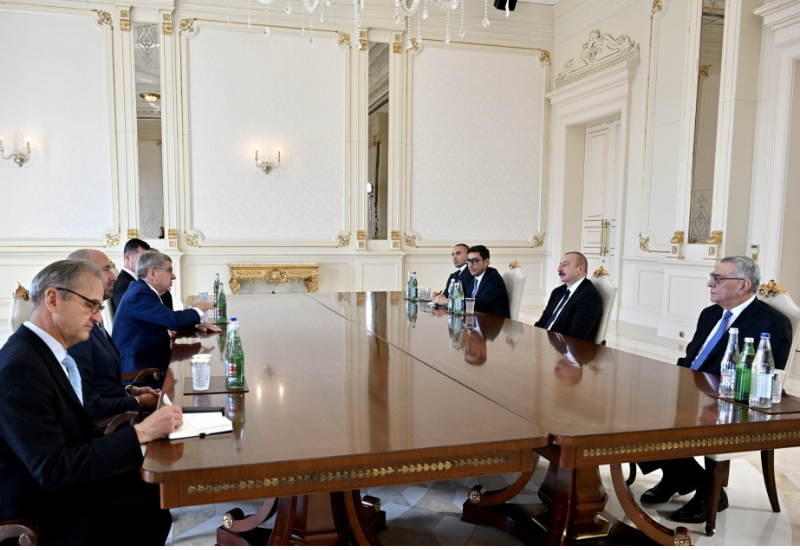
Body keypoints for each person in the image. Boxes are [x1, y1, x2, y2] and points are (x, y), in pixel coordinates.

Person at [0, 259, 183, 545]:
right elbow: (53, 469)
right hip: (45, 510)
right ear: (53, 299)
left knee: (158, 486)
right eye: (91, 306)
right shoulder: (19, 368)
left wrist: (145, 438)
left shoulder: (44, 352)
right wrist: (141, 432)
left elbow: (77, 431)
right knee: (154, 513)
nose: (98, 318)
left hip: (69, 485)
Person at [638, 255, 792, 524]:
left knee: (648, 421)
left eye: (718, 279)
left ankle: (709, 490)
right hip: (690, 389)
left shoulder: (772, 323)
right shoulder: (709, 314)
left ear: (743, 285)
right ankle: (678, 476)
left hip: (727, 401)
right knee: (633, 408)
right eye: (712, 276)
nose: (710, 283)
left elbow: (766, 377)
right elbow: (692, 358)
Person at [65, 249, 160, 421]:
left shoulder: (93, 319)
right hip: (116, 423)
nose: (114, 276)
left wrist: (132, 390)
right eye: (106, 269)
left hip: (124, 408)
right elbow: (89, 406)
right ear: (82, 276)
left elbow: (103, 379)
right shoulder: (77, 329)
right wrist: (138, 402)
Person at [113, 250, 219, 376]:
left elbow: (165, 318)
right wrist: (198, 308)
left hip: (151, 358)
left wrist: (195, 325)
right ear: (152, 273)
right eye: (169, 270)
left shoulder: (143, 290)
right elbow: (174, 319)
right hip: (141, 370)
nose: (173, 276)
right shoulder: (140, 294)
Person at [534, 252, 603, 342]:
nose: (559, 269)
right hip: (544, 342)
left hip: (563, 348)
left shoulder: (589, 296)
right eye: (560, 264)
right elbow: (541, 323)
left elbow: (575, 338)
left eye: (565, 265)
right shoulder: (558, 292)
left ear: (580, 269)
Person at [113, 238, 173, 312]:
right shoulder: (123, 285)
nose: (147, 262)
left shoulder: (143, 281)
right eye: (142, 258)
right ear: (128, 257)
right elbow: (137, 313)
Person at [465, 245, 510, 318]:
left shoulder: (494, 278)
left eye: (475, 261)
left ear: (486, 261)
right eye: (469, 261)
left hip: (494, 321)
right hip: (476, 318)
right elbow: (461, 295)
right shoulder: (470, 277)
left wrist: (450, 302)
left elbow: (480, 303)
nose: (470, 265)